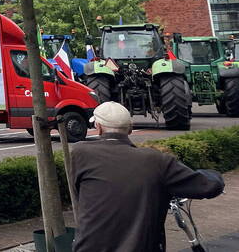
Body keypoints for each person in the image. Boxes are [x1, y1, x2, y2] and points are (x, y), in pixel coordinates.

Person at [71, 101, 224, 252]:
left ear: (98, 127)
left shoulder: (80, 153)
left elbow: (80, 192)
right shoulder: (156, 160)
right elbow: (209, 186)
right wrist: (212, 175)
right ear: (130, 129)